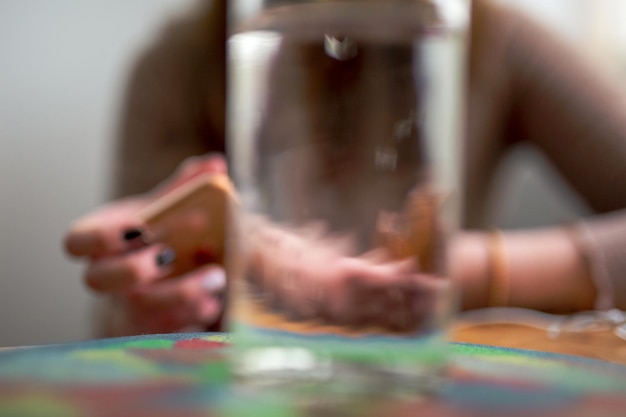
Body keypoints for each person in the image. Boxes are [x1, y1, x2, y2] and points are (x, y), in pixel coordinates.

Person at [64, 0, 626, 337]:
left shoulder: (493, 38)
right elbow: (121, 317)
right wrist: (146, 293)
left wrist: (460, 270)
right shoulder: (180, 60)